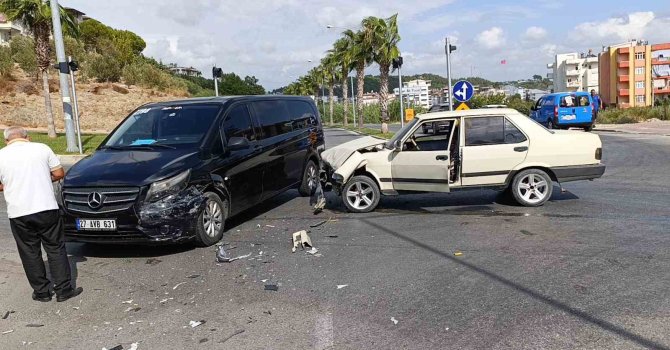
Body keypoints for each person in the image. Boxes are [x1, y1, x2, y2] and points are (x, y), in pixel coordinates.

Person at [0, 127, 82, 302]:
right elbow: (59, 173)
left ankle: (42, 292)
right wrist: (43, 178)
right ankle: (63, 290)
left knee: (29, 251)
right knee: (55, 248)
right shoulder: (42, 148)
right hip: (46, 208)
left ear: (7, 140)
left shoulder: (1, 155)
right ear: (26, 137)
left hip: (18, 212)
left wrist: (11, 184)